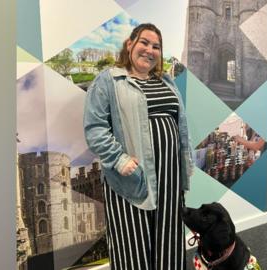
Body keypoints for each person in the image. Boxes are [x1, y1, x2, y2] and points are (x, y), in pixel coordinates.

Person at [83, 23, 194, 270]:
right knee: (132, 246)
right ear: (130, 44)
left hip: (170, 178)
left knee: (169, 241)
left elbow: (181, 124)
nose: (149, 50)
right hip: (133, 177)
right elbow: (95, 128)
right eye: (144, 42)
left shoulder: (166, 81)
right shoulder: (109, 80)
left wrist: (186, 162)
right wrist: (119, 159)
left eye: (156, 46)